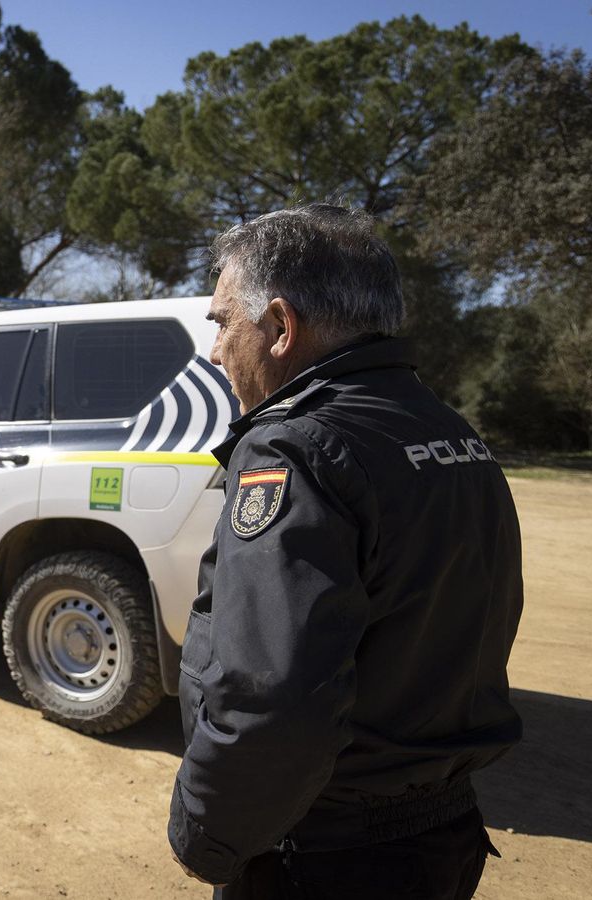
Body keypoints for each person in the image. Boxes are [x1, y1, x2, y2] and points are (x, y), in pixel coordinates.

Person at [167, 204, 524, 899]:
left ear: (280, 327)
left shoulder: (295, 448)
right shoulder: (447, 429)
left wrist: (207, 834)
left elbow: (269, 695)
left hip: (326, 853)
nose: (214, 351)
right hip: (439, 833)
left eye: (222, 323)